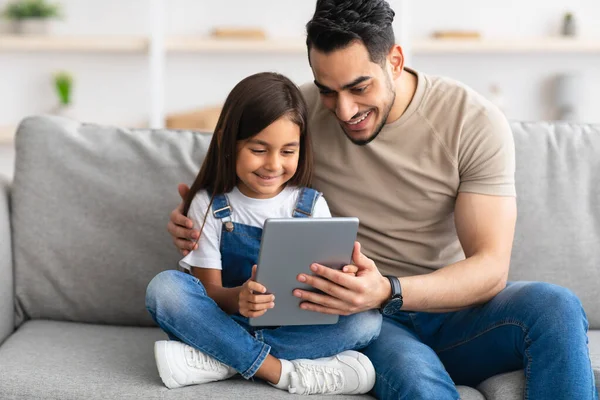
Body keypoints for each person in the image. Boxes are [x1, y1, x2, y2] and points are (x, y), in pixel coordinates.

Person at [167, 1, 599, 399]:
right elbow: (243, 171)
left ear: (395, 60)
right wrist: (193, 218)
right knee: (418, 380)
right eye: (328, 90)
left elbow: (490, 270)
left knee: (555, 306)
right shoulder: (299, 118)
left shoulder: (472, 121)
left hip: (452, 311)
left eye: (359, 87)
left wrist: (388, 290)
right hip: (367, 323)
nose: (343, 110)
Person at [145, 71, 382, 396]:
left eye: (287, 152)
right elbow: (210, 292)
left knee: (368, 319)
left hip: (293, 327)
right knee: (165, 289)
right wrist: (238, 298)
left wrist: (342, 282)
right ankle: (279, 371)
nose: (273, 164)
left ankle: (223, 359)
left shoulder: (311, 206)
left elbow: (326, 294)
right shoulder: (211, 204)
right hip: (226, 322)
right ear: (229, 143)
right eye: (259, 149)